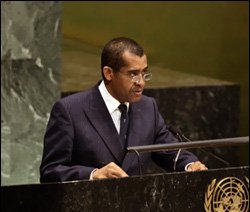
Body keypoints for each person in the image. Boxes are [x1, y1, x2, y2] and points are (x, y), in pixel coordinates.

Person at [40, 37, 207, 183]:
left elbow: (169, 151)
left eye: (144, 73)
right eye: (133, 74)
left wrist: (190, 165)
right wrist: (93, 174)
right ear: (108, 73)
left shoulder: (148, 107)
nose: (141, 82)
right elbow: (50, 171)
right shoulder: (70, 110)